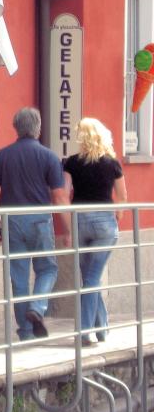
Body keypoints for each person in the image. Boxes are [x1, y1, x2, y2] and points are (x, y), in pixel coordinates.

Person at [0, 107, 71, 341]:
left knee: (19, 277)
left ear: (16, 127)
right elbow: (59, 196)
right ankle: (38, 306)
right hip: (40, 220)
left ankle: (25, 331)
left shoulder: (1, 156)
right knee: (48, 269)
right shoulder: (49, 157)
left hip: (11, 221)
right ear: (38, 128)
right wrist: (68, 229)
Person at [63, 118, 127, 347]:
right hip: (104, 223)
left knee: (89, 277)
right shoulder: (112, 163)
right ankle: (88, 332)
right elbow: (122, 196)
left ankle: (98, 330)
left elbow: (64, 193)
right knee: (92, 278)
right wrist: (118, 216)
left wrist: (69, 228)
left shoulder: (71, 163)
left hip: (80, 219)